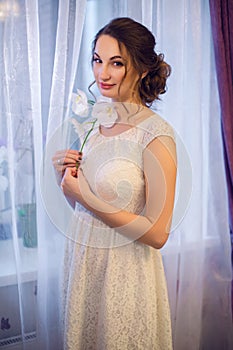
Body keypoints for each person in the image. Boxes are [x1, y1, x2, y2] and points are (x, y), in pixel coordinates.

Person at [53, 17, 177, 350]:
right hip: (83, 266)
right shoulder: (94, 120)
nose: (102, 73)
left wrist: (86, 198)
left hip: (125, 273)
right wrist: (64, 178)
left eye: (116, 63)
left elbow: (157, 234)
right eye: (97, 60)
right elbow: (80, 207)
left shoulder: (156, 136)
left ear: (141, 68)